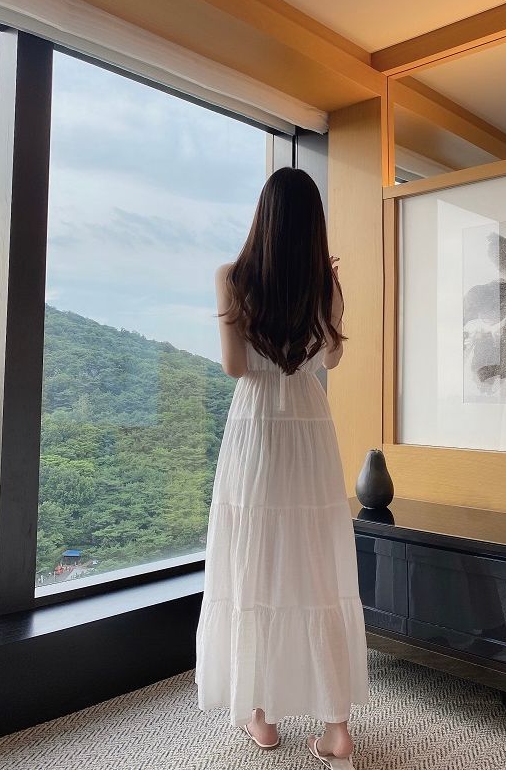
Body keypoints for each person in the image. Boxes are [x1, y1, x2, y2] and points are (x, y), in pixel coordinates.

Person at [195, 167, 369, 766]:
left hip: (257, 426)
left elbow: (234, 366)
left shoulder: (232, 278)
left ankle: (262, 715)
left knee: (255, 560)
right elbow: (333, 359)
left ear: (262, 216)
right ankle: (336, 727)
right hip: (309, 425)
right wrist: (330, 298)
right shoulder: (325, 284)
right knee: (315, 563)